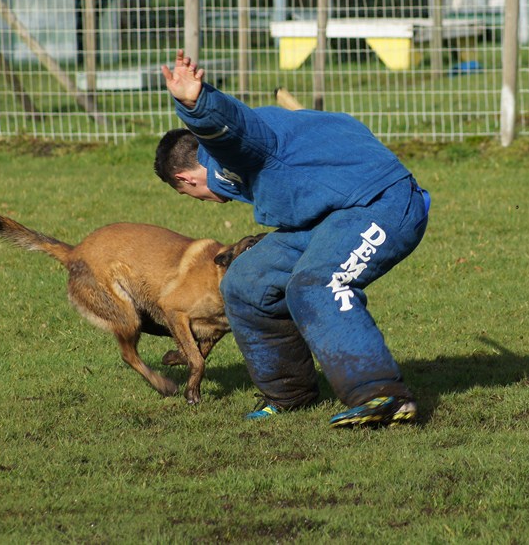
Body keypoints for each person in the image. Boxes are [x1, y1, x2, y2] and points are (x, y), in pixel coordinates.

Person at [154, 50, 430, 428]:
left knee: (316, 283)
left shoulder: (240, 149)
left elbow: (233, 130)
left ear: (185, 181)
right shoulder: (256, 145)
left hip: (381, 203)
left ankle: (382, 395)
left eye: (190, 195)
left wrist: (198, 104)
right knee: (244, 282)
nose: (205, 203)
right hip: (326, 215)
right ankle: (288, 393)